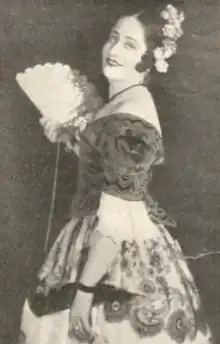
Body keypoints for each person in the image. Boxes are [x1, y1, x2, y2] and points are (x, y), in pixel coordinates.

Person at [18, 4, 214, 344]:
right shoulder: (127, 103)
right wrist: (70, 138)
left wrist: (83, 293)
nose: (114, 50)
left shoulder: (128, 117)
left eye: (129, 44)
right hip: (103, 237)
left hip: (112, 252)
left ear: (150, 58)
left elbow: (117, 222)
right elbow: (106, 170)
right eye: (113, 38)